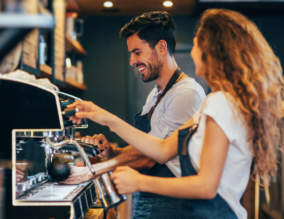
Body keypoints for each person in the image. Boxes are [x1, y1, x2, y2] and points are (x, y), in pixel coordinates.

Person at [66, 9, 283, 219]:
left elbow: (207, 186)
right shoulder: (213, 102)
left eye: (197, 43)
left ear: (212, 51)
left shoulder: (220, 103)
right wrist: (101, 116)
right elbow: (160, 149)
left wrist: (139, 182)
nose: (191, 50)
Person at [62, 11, 206, 219]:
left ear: (162, 47)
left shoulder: (186, 94)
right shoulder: (156, 93)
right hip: (149, 198)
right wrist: (111, 152)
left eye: (137, 52)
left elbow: (150, 157)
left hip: (171, 205)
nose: (132, 61)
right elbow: (146, 145)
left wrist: (94, 170)